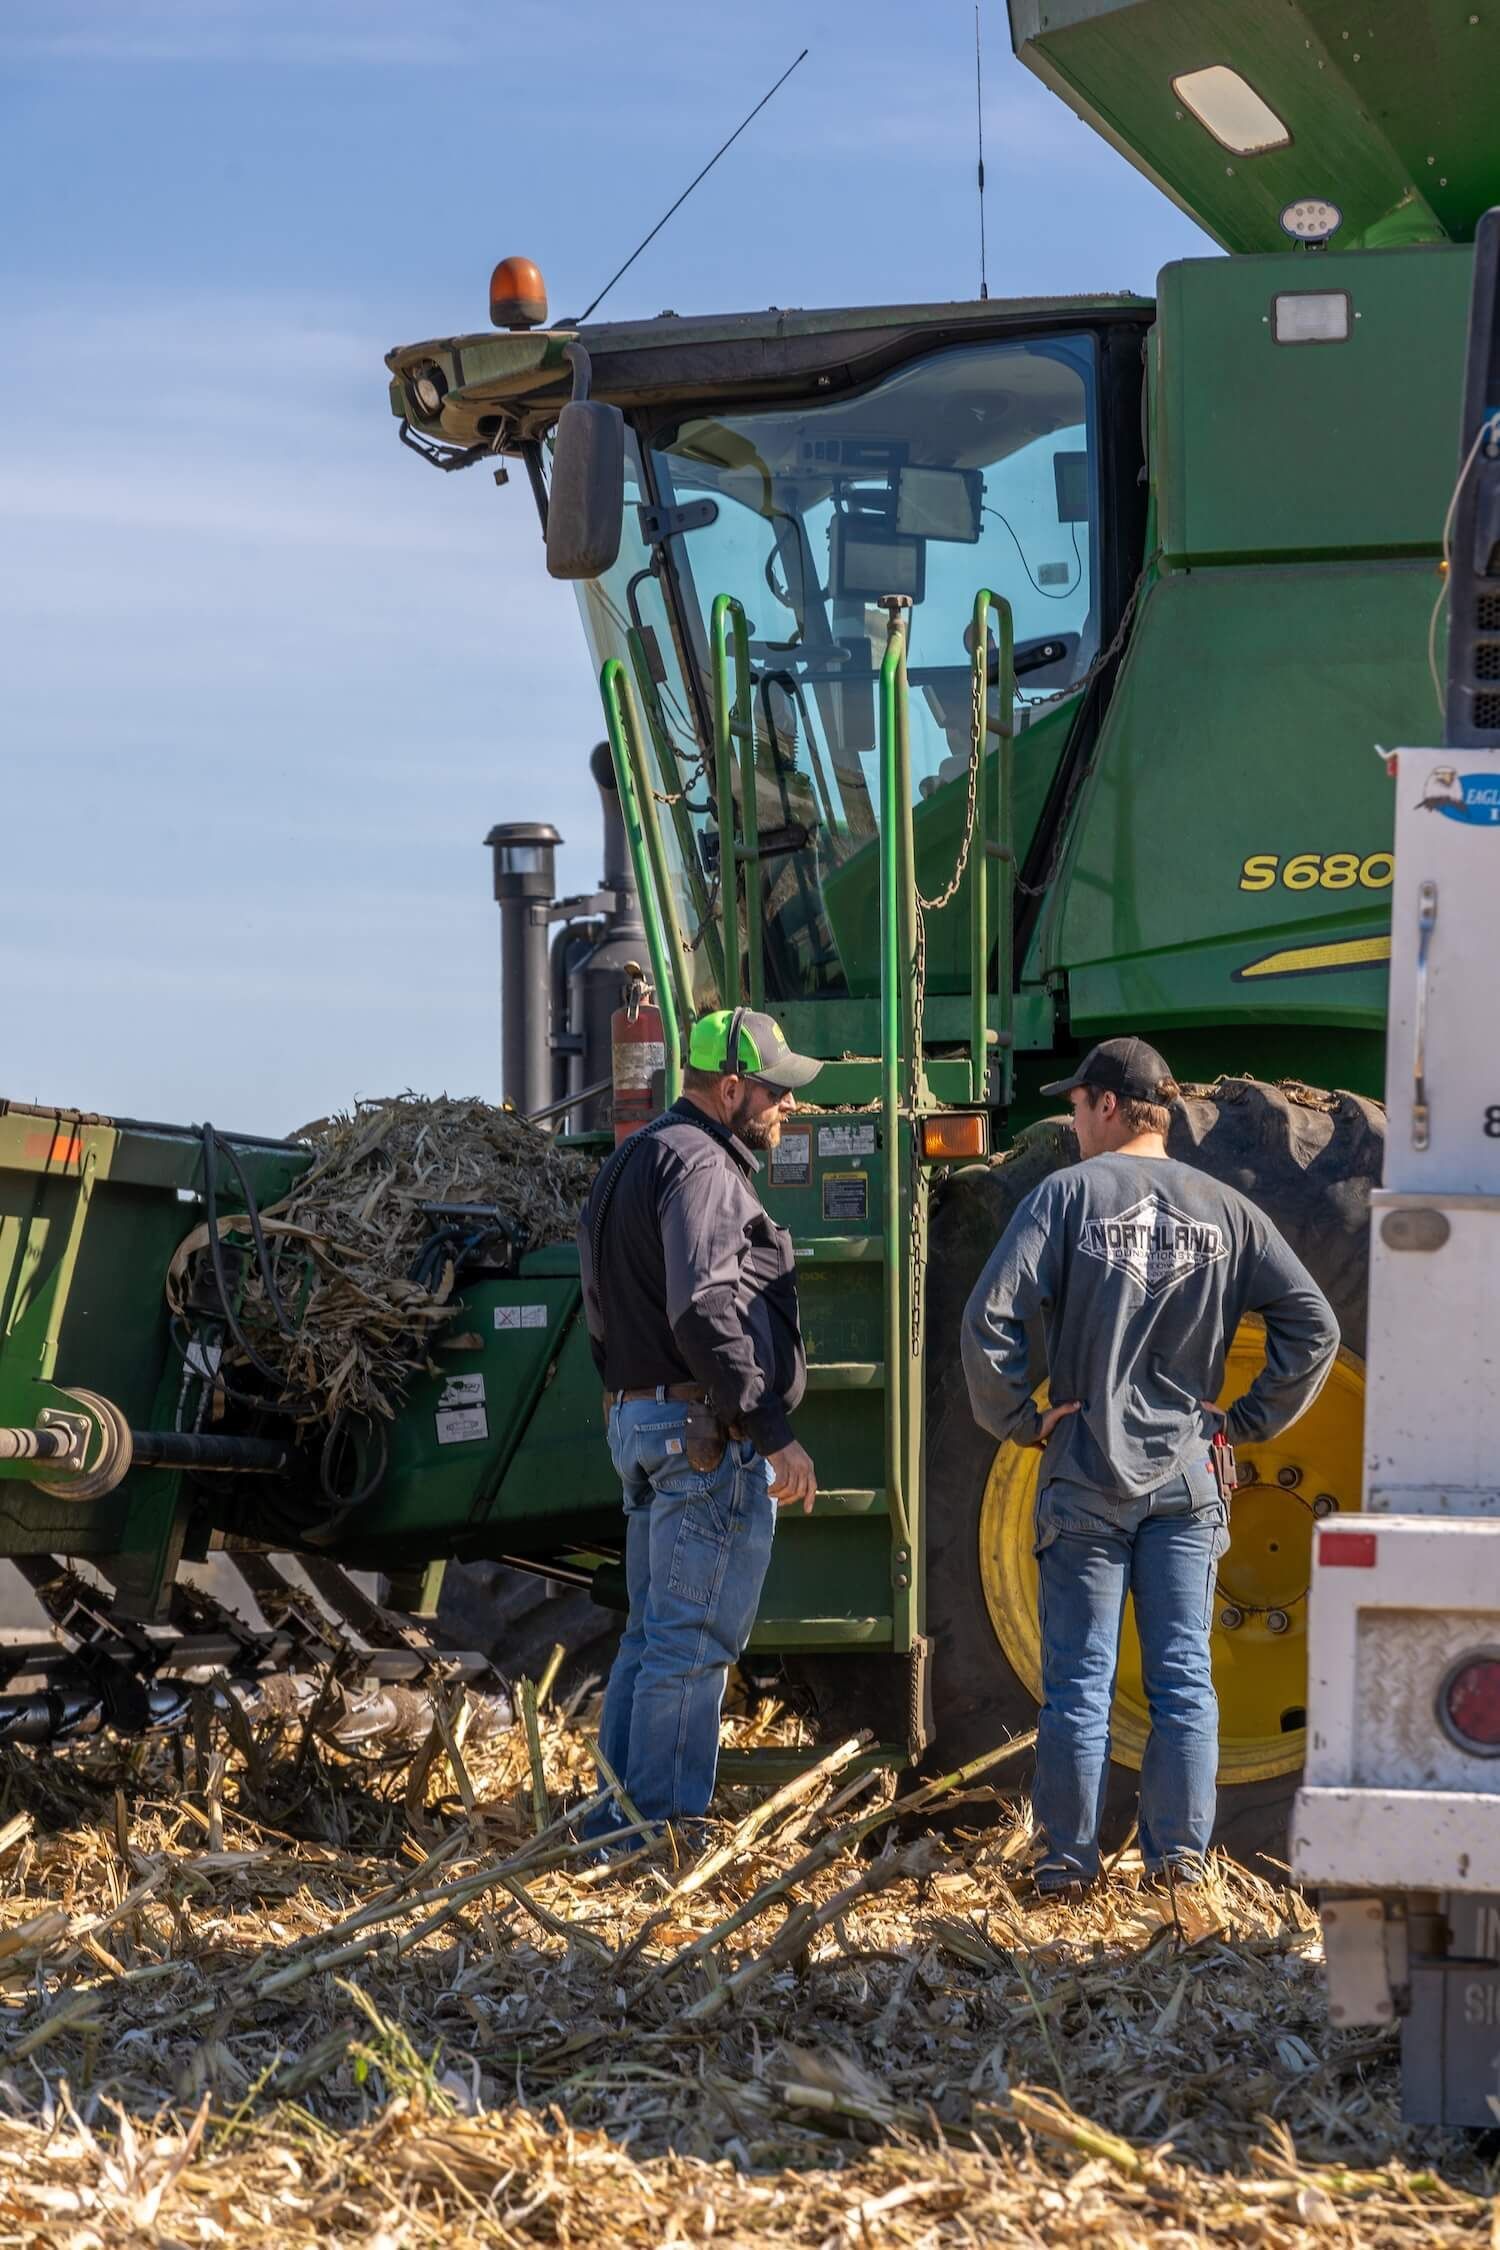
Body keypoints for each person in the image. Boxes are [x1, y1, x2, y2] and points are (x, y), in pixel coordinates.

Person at [961, 1036, 1338, 1897]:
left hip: (1085, 1474)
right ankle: (1180, 1867)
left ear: (1105, 1106)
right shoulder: (1227, 1209)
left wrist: (1021, 1419)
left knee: (1080, 1685)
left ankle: (1065, 1867)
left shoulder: (1065, 1197)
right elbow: (1315, 1327)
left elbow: (990, 1320)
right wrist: (1242, 1420)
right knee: (1183, 1678)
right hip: (1188, 1481)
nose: (1070, 1122)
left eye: (1074, 1107)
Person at [577, 1005, 823, 1842]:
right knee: (693, 1639)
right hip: (700, 1432)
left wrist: (635, 1409)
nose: (788, 1105)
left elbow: (603, 1315)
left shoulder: (630, 1161)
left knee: (651, 1634)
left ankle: (616, 1818)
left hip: (641, 1422)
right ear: (730, 1088)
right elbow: (707, 1304)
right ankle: (662, 1828)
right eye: (776, 1090)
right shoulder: (706, 1169)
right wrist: (768, 1427)